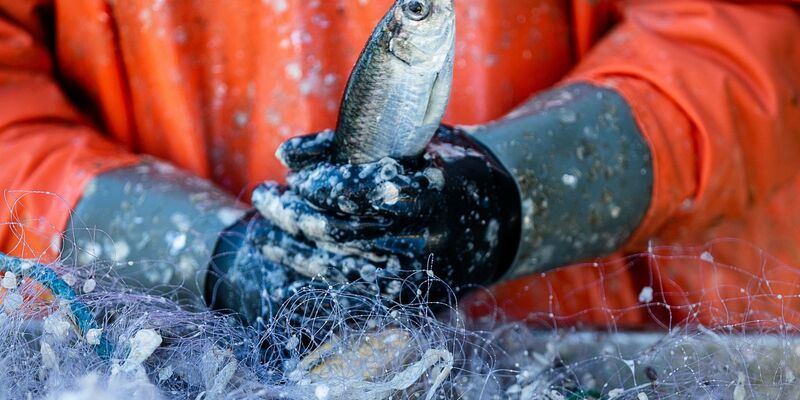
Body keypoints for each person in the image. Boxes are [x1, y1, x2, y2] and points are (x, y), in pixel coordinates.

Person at [0, 0, 799, 330]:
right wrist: (210, 255)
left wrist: (511, 191)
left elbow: (743, 37)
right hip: (160, 352)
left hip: (608, 342)